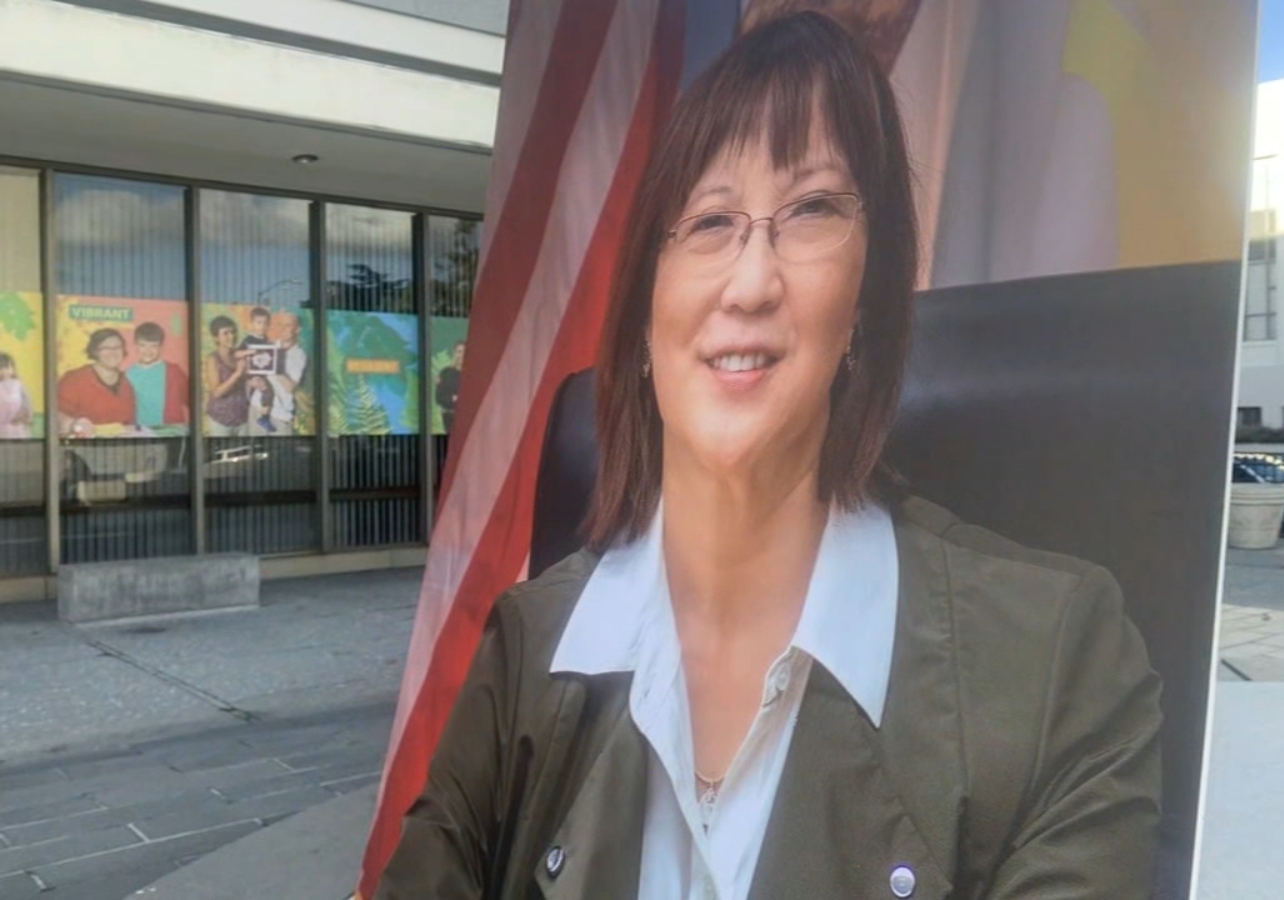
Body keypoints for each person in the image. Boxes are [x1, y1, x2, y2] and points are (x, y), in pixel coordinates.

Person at [377, 13, 1160, 900]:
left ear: (864, 306)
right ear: (642, 318)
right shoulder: (527, 649)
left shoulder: (1060, 664)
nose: (750, 283)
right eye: (710, 221)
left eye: (812, 210)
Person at [57, 328, 136, 436]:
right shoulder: (74, 379)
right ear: (95, 351)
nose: (113, 352)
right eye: (106, 348)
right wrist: (73, 424)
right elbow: (55, 415)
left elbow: (129, 423)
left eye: (117, 347)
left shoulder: (127, 384)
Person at [125, 322, 190, 430]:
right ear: (135, 345)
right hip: (140, 431)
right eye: (142, 345)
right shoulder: (128, 375)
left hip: (171, 431)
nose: (148, 351)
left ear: (161, 347)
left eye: (154, 346)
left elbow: (191, 399)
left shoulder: (174, 372)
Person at [202, 316, 249, 437]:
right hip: (221, 420)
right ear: (216, 337)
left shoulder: (240, 355)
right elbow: (217, 392)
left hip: (242, 419)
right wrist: (237, 373)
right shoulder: (213, 359)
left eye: (233, 332)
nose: (231, 336)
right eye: (226, 333)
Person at [266, 311, 308, 434]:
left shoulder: (299, 355)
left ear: (297, 329)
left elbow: (290, 387)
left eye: (288, 325)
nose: (283, 329)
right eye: (280, 325)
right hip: (258, 410)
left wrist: (276, 365)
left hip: (280, 415)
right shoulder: (268, 347)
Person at [241, 305, 276, 434]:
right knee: (261, 391)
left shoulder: (266, 340)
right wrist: (248, 352)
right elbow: (237, 355)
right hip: (251, 374)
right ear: (252, 324)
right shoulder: (248, 340)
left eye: (265, 323)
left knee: (268, 392)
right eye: (259, 323)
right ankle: (261, 417)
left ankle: (264, 417)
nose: (262, 326)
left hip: (262, 372)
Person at [0, 352, 34, 439]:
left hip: (17, 426)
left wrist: (25, 415)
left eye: (7, 367)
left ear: (13, 369)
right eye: (0, 368)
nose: (4, 371)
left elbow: (27, 402)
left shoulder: (19, 385)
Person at [434, 341, 463, 434]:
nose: (461, 355)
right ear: (454, 353)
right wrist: (453, 399)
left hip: (468, 418)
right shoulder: (445, 373)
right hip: (449, 418)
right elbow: (438, 398)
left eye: (464, 352)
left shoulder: (474, 374)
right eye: (459, 352)